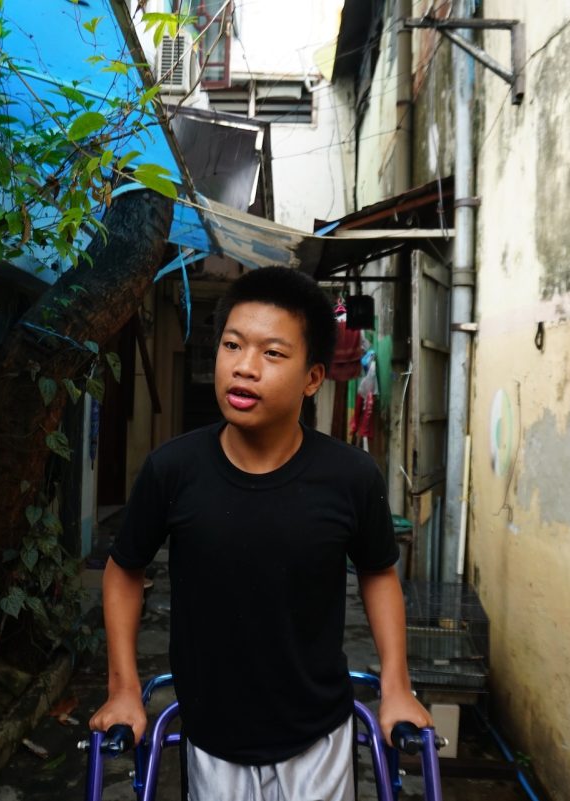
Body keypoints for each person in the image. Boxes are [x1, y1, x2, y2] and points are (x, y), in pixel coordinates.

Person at [89, 266, 431, 800]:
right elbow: (123, 571)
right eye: (232, 345)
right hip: (211, 737)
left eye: (272, 353)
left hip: (318, 738)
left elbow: (379, 573)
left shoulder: (350, 478)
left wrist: (397, 688)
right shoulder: (172, 470)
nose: (244, 368)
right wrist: (124, 689)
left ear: (313, 377)